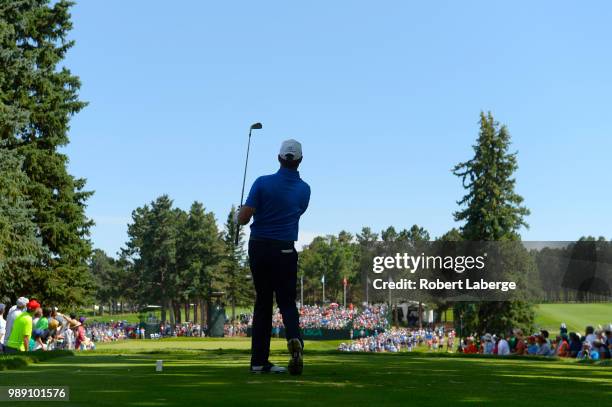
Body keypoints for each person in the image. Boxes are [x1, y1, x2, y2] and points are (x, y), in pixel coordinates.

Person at [237, 139, 310, 375]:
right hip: (285, 249)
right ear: (299, 160)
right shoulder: (304, 190)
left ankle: (259, 362)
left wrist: (241, 211)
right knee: (287, 302)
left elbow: (244, 219)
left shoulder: (262, 183)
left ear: (279, 158)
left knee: (263, 303)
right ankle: (294, 338)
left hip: (259, 248)